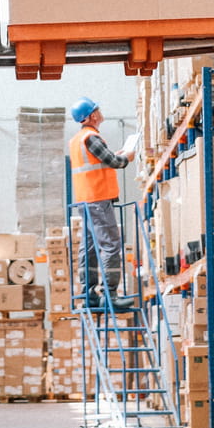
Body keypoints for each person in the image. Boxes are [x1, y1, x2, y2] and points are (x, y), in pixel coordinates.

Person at [67, 97, 136, 304]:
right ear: (92, 116)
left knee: (88, 247)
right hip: (98, 199)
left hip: (86, 200)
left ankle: (89, 295)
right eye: (97, 109)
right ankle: (110, 294)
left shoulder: (77, 140)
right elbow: (114, 162)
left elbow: (100, 161)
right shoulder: (91, 137)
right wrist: (127, 157)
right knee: (111, 245)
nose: (100, 111)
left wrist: (114, 155)